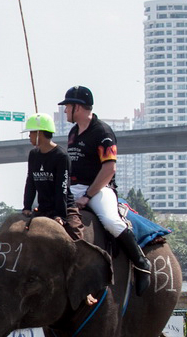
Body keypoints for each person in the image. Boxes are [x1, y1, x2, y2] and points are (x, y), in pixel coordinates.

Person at [60, 86, 152, 293]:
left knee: (111, 221)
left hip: (99, 188)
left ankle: (141, 263)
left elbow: (109, 168)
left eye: (67, 106)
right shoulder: (73, 132)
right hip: (74, 188)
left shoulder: (102, 132)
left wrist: (88, 195)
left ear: (79, 107)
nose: (65, 110)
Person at [21, 114, 82, 241]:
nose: (29, 136)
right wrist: (27, 207)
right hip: (43, 208)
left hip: (64, 208)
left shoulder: (61, 156)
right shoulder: (33, 155)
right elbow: (30, 182)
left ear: (39, 133)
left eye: (31, 132)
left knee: (76, 238)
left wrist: (60, 215)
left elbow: (62, 188)